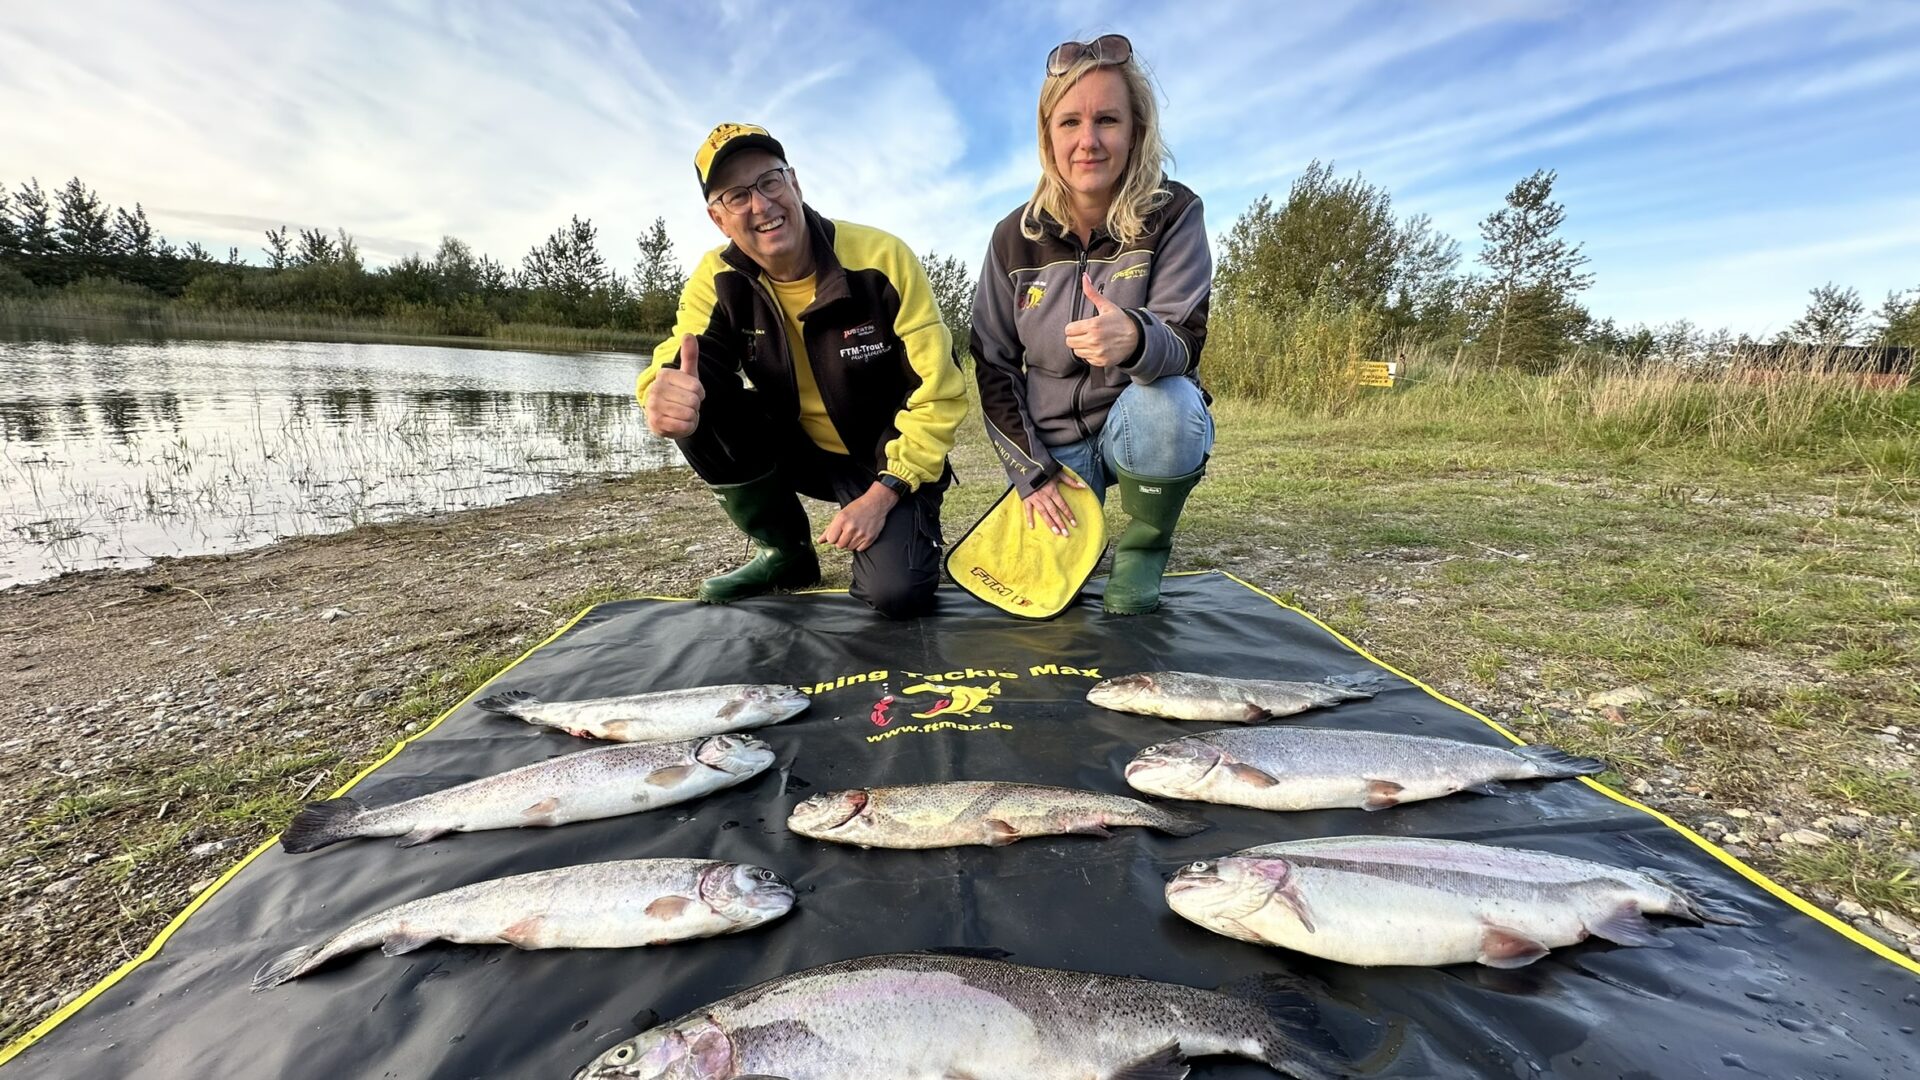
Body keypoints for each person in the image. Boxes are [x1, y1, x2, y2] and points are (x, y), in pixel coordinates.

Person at [638, 123, 967, 619]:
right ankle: (785, 553)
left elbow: (939, 393)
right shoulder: (716, 277)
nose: (761, 205)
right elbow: (682, 352)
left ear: (794, 183)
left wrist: (886, 492)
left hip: (887, 454)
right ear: (718, 218)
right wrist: (657, 393)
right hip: (801, 449)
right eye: (737, 195)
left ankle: (902, 529)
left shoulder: (883, 258)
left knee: (897, 595)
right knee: (696, 398)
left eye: (770, 182)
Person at [969, 34, 1213, 615]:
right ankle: (1072, 508)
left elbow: (1185, 338)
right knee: (1041, 590)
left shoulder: (1175, 211)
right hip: (1052, 443)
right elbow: (993, 363)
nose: (1088, 141)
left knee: (1171, 402)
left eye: (1107, 120)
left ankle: (1144, 550)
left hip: (1136, 420)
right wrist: (1032, 472)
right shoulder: (1012, 236)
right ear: (1047, 135)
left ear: (1136, 131)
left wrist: (1134, 336)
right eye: (1070, 122)